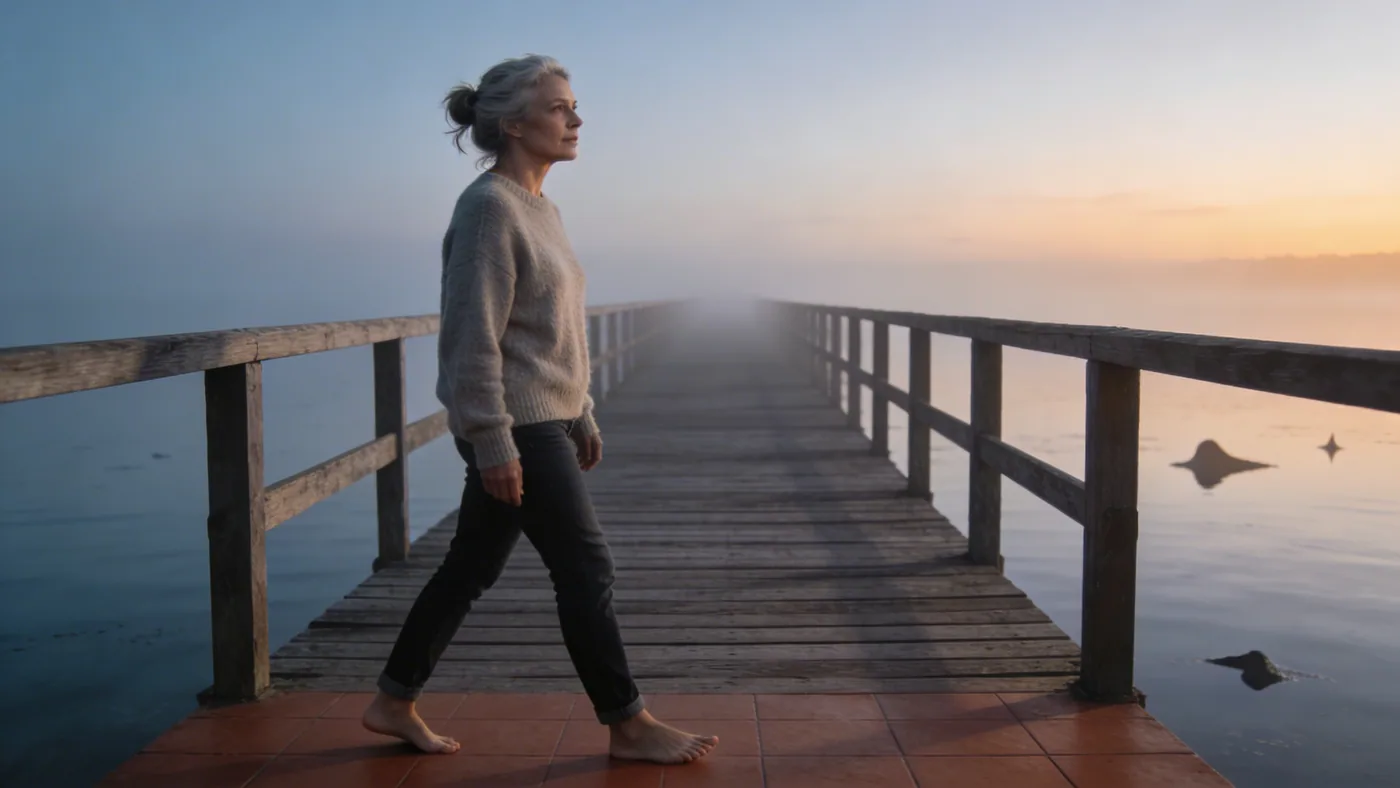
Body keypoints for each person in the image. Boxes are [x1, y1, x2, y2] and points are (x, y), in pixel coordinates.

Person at [360, 55, 717, 765]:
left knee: (471, 567)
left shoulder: (541, 209)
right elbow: (471, 337)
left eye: (574, 105)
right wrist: (492, 442)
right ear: (514, 123)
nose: (576, 119)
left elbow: (547, 329)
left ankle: (393, 699)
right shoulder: (488, 207)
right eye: (559, 108)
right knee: (586, 568)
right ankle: (628, 723)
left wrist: (579, 408)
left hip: (544, 416)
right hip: (516, 425)